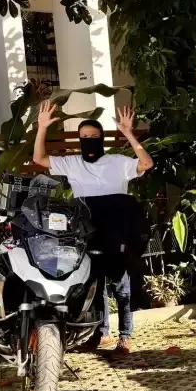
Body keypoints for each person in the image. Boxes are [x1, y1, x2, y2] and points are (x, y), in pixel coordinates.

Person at [32, 101, 154, 355]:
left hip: (116, 229)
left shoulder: (118, 162)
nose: (88, 140)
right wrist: (42, 127)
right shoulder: (72, 163)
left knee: (121, 285)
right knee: (94, 283)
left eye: (94, 136)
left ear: (102, 138)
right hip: (86, 230)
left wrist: (129, 133)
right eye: (84, 137)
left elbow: (146, 163)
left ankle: (126, 335)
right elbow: (38, 159)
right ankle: (102, 333)